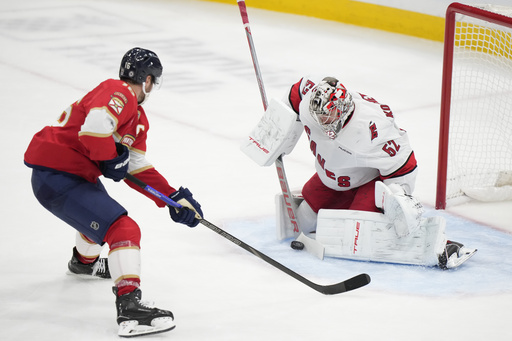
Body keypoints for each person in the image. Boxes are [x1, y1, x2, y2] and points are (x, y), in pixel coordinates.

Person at [24, 47, 202, 337]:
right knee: (124, 229)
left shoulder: (136, 116)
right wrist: (109, 158)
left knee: (101, 215)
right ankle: (130, 307)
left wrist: (172, 198)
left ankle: (83, 263)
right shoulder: (119, 92)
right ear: (146, 80)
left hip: (70, 175)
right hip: (57, 174)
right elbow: (94, 129)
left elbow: (134, 165)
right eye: (153, 82)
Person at [243, 75, 476, 269]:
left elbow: (404, 164)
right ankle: (347, 205)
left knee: (355, 234)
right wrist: (276, 133)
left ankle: (436, 244)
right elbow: (296, 93)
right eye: (319, 116)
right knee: (300, 224)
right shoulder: (311, 103)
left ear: (343, 109)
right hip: (333, 177)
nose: (322, 121)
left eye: (328, 116)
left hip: (369, 182)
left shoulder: (372, 132)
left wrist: (396, 202)